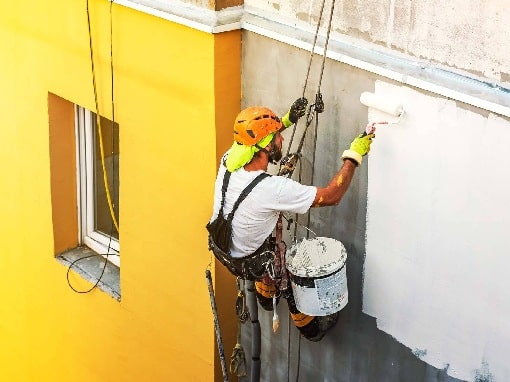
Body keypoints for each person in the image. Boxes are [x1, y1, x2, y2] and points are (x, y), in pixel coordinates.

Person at [207, 98, 374, 341]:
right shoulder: (273, 189)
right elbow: (332, 195)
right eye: (277, 137)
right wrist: (354, 154)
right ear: (265, 147)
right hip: (250, 259)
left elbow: (258, 140)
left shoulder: (229, 159)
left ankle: (265, 298)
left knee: (265, 255)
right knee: (291, 280)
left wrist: (287, 119)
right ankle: (310, 328)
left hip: (223, 247)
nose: (282, 139)